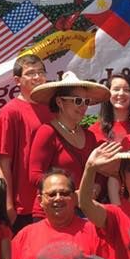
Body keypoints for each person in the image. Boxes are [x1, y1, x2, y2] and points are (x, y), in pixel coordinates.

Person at [28, 71, 108, 217]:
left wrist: (97, 186)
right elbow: (34, 175)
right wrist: (67, 193)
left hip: (84, 211)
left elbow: (98, 172)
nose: (83, 106)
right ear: (60, 102)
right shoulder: (47, 132)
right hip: (51, 213)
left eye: (86, 101)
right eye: (77, 101)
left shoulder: (89, 136)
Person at [0, 54, 53, 230]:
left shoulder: (53, 108)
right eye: (30, 73)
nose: (37, 77)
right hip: (23, 206)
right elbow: (4, 162)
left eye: (41, 72)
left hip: (50, 200)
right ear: (17, 80)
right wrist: (8, 203)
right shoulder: (10, 112)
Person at [87, 72, 130, 145]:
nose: (121, 93)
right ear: (108, 94)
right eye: (116, 89)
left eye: (127, 90)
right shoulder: (93, 131)